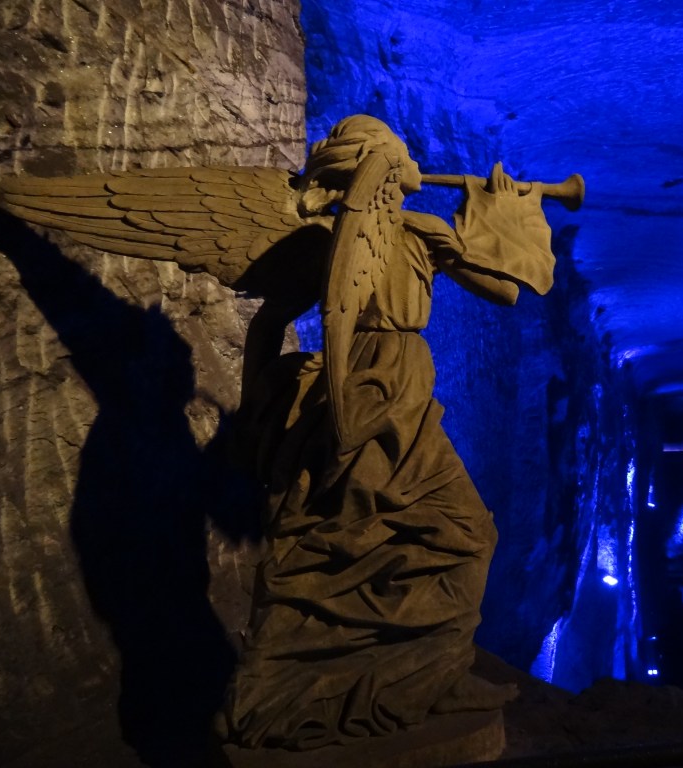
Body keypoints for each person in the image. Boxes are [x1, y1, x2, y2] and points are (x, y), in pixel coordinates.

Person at [220, 115, 555, 750]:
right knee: (434, 535)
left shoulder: (413, 233)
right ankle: (382, 682)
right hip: (371, 395)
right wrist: (261, 416)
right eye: (398, 153)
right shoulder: (333, 240)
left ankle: (426, 675)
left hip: (394, 395)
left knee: (400, 536)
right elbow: (271, 320)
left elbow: (505, 291)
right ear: (380, 169)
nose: (411, 161)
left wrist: (499, 209)